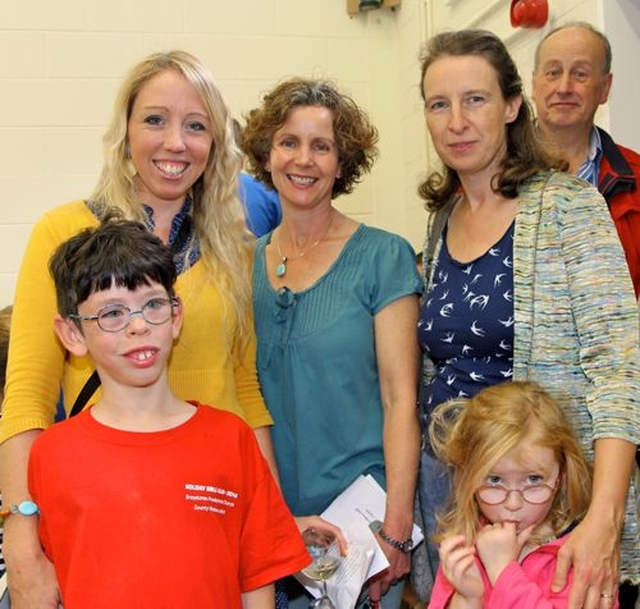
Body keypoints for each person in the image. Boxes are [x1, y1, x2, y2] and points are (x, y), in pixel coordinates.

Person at [0, 50, 276, 608]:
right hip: (106, 518)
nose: (175, 143)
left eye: (196, 126)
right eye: (155, 119)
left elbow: (244, 390)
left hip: (207, 518)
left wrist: (267, 514)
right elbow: (28, 392)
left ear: (215, 144)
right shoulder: (63, 231)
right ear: (125, 131)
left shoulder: (236, 249)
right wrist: (23, 541)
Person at [417, 29, 639, 609]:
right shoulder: (442, 220)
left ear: (513, 106)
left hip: (545, 506)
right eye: (439, 104)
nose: (456, 121)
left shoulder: (568, 206)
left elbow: (619, 366)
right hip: (460, 493)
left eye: (475, 100)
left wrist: (604, 521)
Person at [23, 217, 309, 607]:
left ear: (176, 317)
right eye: (112, 314)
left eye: (153, 304)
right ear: (73, 334)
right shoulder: (51, 454)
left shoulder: (231, 439)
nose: (138, 326)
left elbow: (257, 579)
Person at [242, 78, 423, 608]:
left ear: (343, 164)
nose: (304, 159)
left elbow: (399, 400)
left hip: (360, 532)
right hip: (270, 523)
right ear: (267, 154)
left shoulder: (382, 257)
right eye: (289, 142)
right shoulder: (240, 265)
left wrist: (395, 529)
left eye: (322, 146)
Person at [427, 381, 602, 608]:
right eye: (495, 480)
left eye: (533, 479)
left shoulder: (582, 556)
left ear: (563, 475)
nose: (513, 503)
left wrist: (502, 572)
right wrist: (467, 600)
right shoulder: (465, 547)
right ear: (467, 475)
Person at [531, 21, 640, 298]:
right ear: (534, 84)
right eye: (553, 72)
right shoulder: (490, 176)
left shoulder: (637, 180)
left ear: (605, 88)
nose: (564, 87)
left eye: (580, 74)